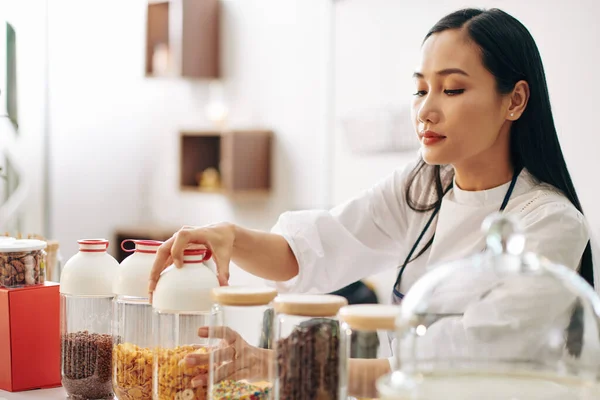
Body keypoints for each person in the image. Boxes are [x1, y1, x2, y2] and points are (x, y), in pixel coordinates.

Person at [148, 8, 599, 398]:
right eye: (421, 89)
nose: (426, 110)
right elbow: (316, 249)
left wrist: (280, 366)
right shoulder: (422, 187)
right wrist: (226, 236)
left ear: (515, 101)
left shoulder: (550, 223)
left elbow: (461, 362)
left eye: (452, 89)